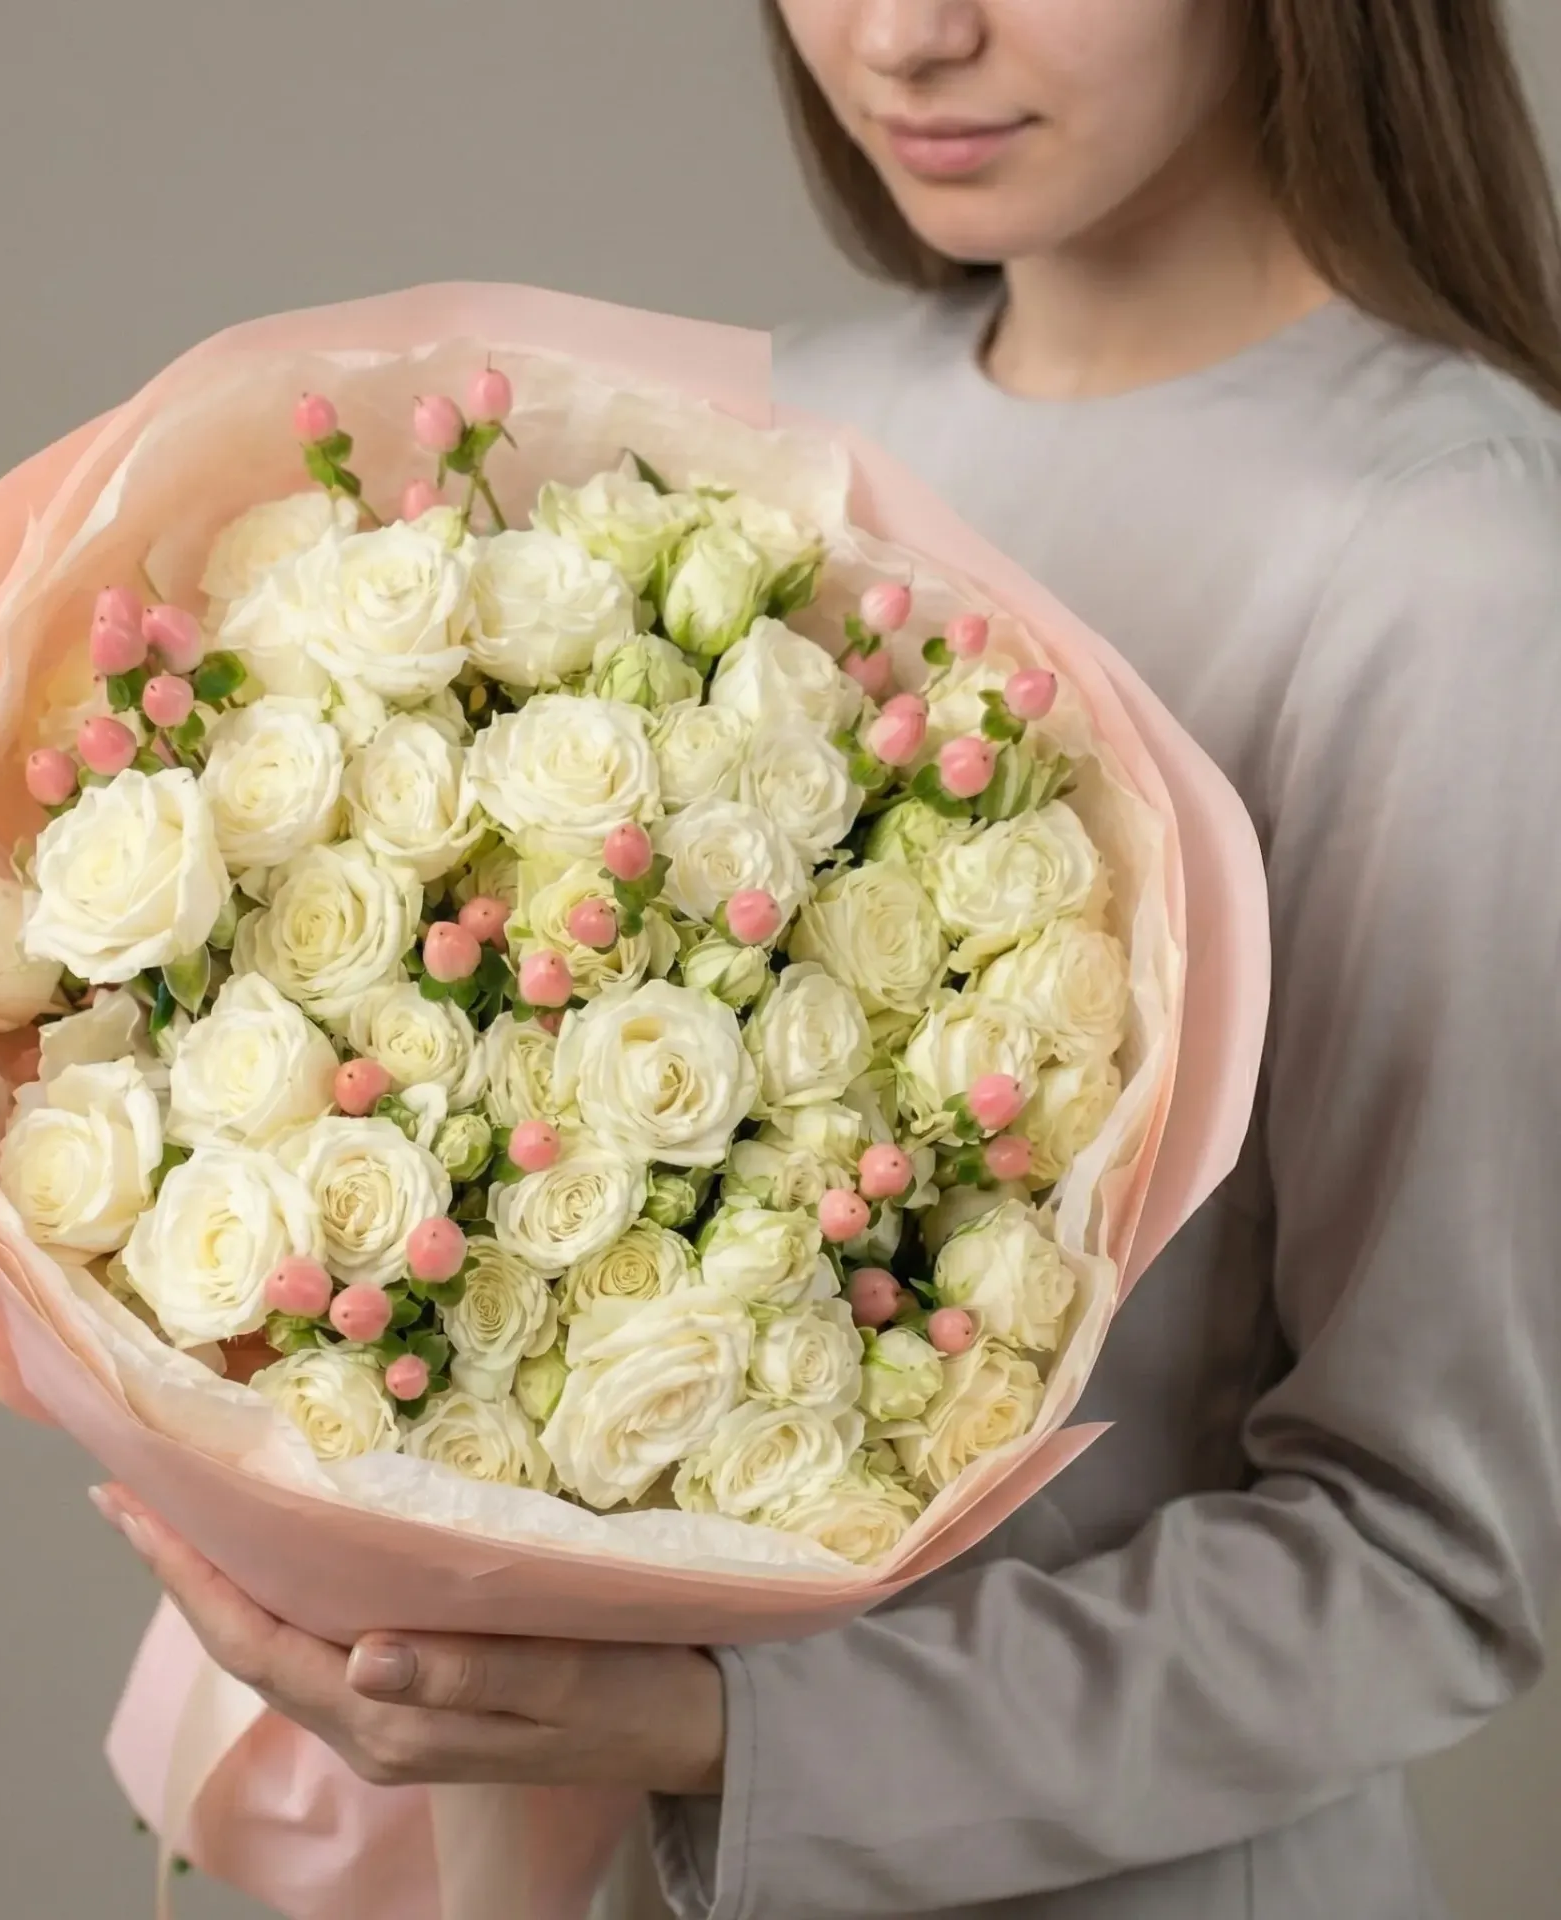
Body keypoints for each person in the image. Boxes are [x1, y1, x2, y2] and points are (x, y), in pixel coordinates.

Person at [90, 2, 1561, 1913]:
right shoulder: (781, 441)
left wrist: (719, 1730)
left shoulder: (1447, 559)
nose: (906, 33)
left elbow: (1431, 1564)